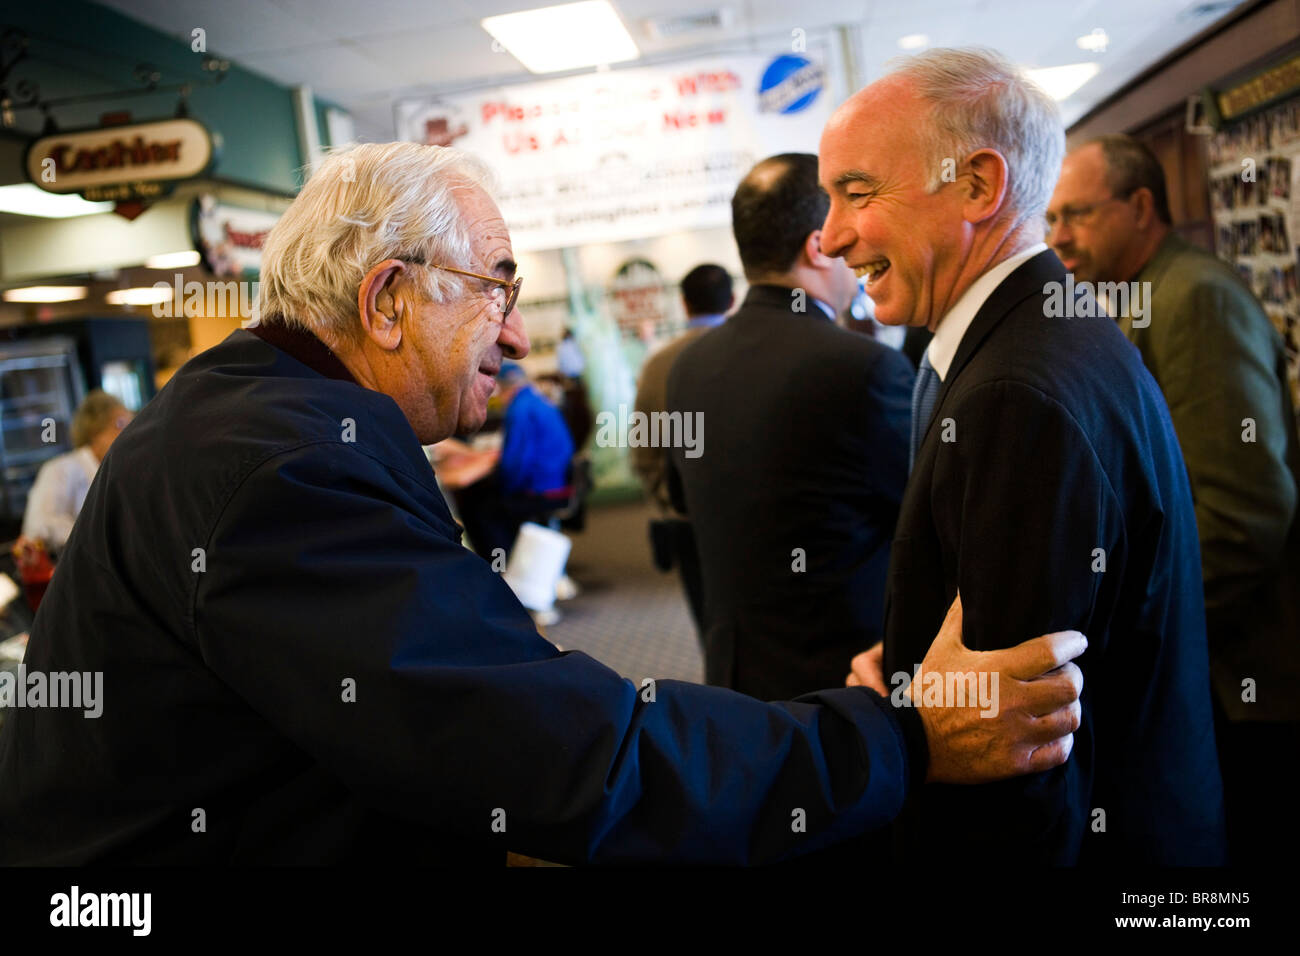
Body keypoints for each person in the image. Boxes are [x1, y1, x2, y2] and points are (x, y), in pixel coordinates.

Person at [0, 142, 1085, 866]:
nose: (517, 336)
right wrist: (896, 736)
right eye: (496, 288)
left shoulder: (255, 414)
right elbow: (567, 753)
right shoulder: (282, 469)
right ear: (385, 300)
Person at [826, 48, 1225, 865]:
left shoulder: (1017, 396)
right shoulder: (1034, 337)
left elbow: (1013, 762)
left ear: (978, 185)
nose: (831, 237)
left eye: (856, 193)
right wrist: (907, 672)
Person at [1048, 133, 1300, 864]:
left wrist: (1153, 638)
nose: (1059, 234)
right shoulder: (1140, 295)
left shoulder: (1193, 298)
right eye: (1053, 218)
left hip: (1245, 668)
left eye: (1079, 214)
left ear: (1142, 206)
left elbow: (1244, 511)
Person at [666, 154, 913, 701]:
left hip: (737, 680)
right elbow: (931, 520)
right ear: (817, 245)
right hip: (849, 685)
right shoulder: (863, 367)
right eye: (844, 228)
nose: (857, 247)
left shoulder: (688, 366)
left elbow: (683, 499)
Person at [632, 264, 734, 635]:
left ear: (684, 304)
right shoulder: (755, 354)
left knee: (711, 623)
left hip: (689, 519)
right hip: (758, 521)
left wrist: (668, 502)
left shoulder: (658, 363)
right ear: (732, 301)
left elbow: (644, 451)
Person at [454, 362, 574, 563]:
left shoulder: (518, 409)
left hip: (541, 490)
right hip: (557, 481)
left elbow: (515, 465)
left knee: (481, 508)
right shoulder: (537, 400)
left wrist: (502, 485)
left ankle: (500, 567)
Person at [21, 389, 131, 555]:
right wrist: (95, 539)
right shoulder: (62, 468)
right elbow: (38, 525)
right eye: (119, 424)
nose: (128, 434)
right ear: (94, 430)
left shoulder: (121, 473)